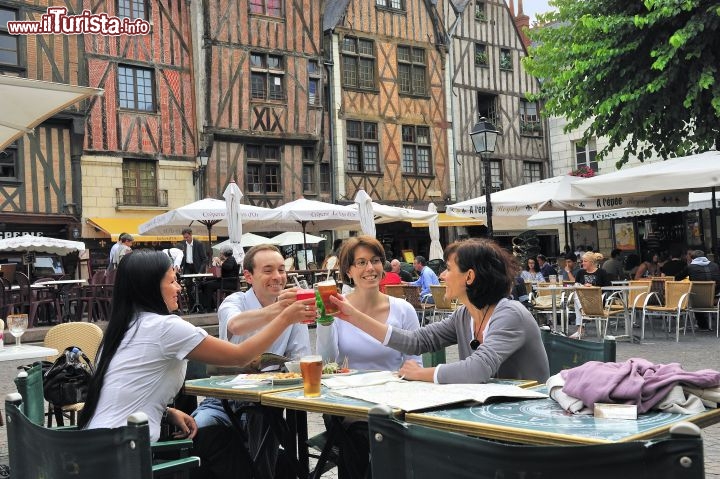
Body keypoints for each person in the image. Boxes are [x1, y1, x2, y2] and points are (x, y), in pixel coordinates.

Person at [78, 249, 316, 479]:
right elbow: (240, 356)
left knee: (214, 440)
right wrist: (285, 316)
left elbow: (123, 392)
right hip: (129, 458)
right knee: (224, 448)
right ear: (150, 287)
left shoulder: (120, 331)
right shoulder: (166, 327)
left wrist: (167, 411)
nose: (179, 288)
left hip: (92, 452)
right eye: (172, 281)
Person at [329, 238, 549, 384]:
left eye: (449, 269)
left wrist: (419, 374)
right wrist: (352, 316)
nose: (442, 275)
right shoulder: (464, 316)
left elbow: (477, 369)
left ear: (469, 277)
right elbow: (416, 341)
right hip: (490, 418)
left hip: (526, 425)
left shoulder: (510, 314)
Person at [192, 244, 311, 478]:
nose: (277, 277)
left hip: (267, 401)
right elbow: (235, 325)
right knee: (198, 431)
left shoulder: (294, 312)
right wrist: (281, 310)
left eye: (281, 269)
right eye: (268, 270)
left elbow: (300, 361)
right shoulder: (234, 301)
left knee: (265, 424)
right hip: (223, 398)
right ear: (248, 276)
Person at [316, 236, 422, 479]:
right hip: (347, 403)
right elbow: (327, 361)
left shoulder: (402, 309)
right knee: (362, 434)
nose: (370, 268)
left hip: (393, 403)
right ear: (349, 271)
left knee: (377, 433)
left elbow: (415, 359)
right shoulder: (336, 308)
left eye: (375, 261)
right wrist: (324, 321)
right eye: (361, 262)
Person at [570, 251, 611, 339]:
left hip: (598, 300)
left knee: (577, 297)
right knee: (576, 290)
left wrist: (593, 287)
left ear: (592, 262)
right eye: (582, 261)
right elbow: (576, 285)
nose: (582, 263)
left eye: (585, 261)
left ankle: (580, 330)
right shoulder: (580, 273)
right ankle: (583, 313)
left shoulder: (601, 272)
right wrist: (583, 286)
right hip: (583, 300)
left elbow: (609, 287)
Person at [686, 249, 720, 331]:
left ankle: (703, 325)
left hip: (698, 301)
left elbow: (678, 277)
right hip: (715, 299)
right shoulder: (715, 265)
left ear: (692, 258)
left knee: (694, 295)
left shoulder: (690, 267)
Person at [200, 247, 240, 311]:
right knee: (204, 284)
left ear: (223, 254)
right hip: (225, 281)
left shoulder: (231, 259)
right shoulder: (228, 260)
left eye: (220, 253)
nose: (220, 255)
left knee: (208, 286)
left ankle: (208, 307)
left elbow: (228, 267)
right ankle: (210, 305)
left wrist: (220, 261)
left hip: (229, 283)